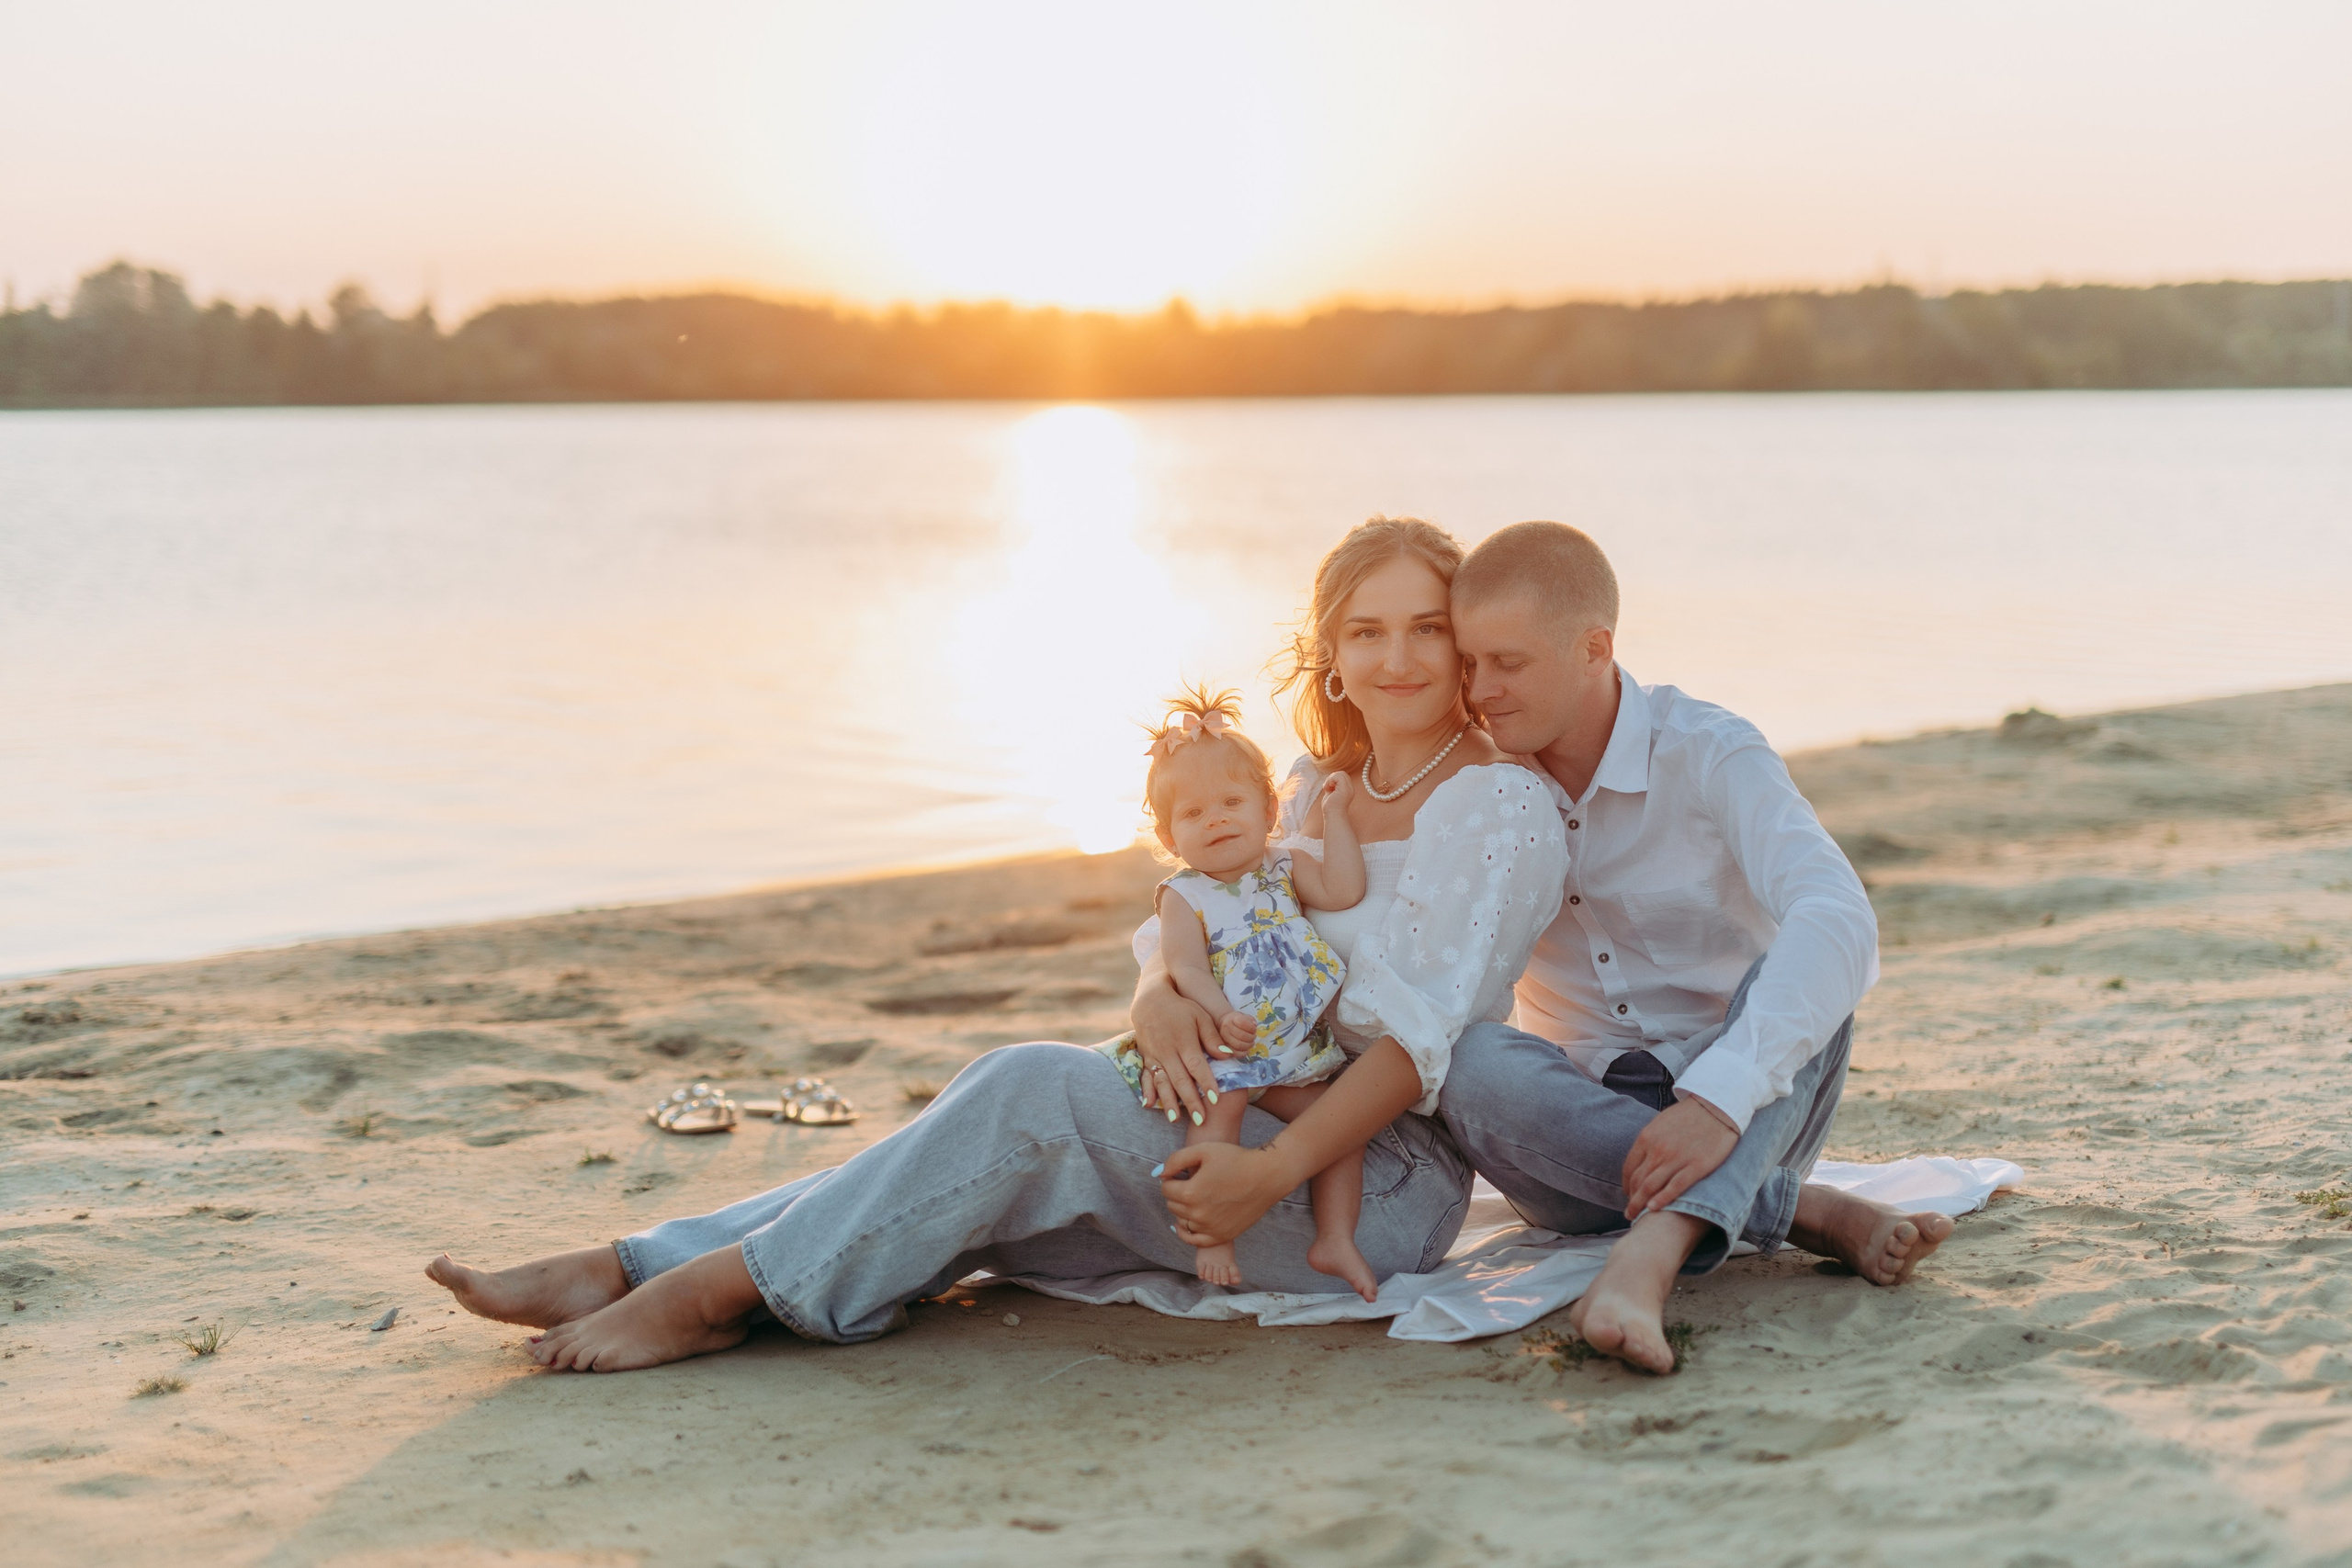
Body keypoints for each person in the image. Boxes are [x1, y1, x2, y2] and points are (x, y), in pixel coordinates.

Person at [423, 516, 1569, 1371]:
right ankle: (639, 1265)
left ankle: (704, 1294)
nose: (1399, 658)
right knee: (980, 1141)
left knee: (1024, 1091)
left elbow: (1415, 1048)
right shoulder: (1318, 785)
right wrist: (1154, 1004)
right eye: (1367, 631)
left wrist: (1267, 1171)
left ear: (1464, 643)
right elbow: (1205, 923)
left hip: (1369, 1189)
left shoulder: (1497, 807)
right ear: (1328, 653)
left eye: (1427, 627)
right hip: (1251, 1111)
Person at [1442, 520, 1956, 1375]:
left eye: (1508, 662)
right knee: (1467, 1062)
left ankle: (1650, 1255)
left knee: (1806, 969)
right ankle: (1801, 1211)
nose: (1480, 690)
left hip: (1750, 1113)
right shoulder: (1480, 784)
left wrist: (1714, 1102)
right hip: (1576, 1145)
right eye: (1468, 663)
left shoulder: (1710, 750)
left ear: (1595, 647)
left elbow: (1840, 915)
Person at [1095, 685, 1375, 1296]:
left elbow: (1344, 888)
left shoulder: (1285, 863)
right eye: (1193, 814)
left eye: (1230, 801)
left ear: (1269, 809)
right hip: (1231, 1047)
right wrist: (1222, 1015)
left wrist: (1336, 819)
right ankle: (1210, 1231)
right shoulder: (1183, 895)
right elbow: (1187, 970)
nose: (1216, 818)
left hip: (1298, 1049)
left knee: (1340, 1125)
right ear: (1169, 838)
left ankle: (1335, 1236)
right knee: (1213, 1115)